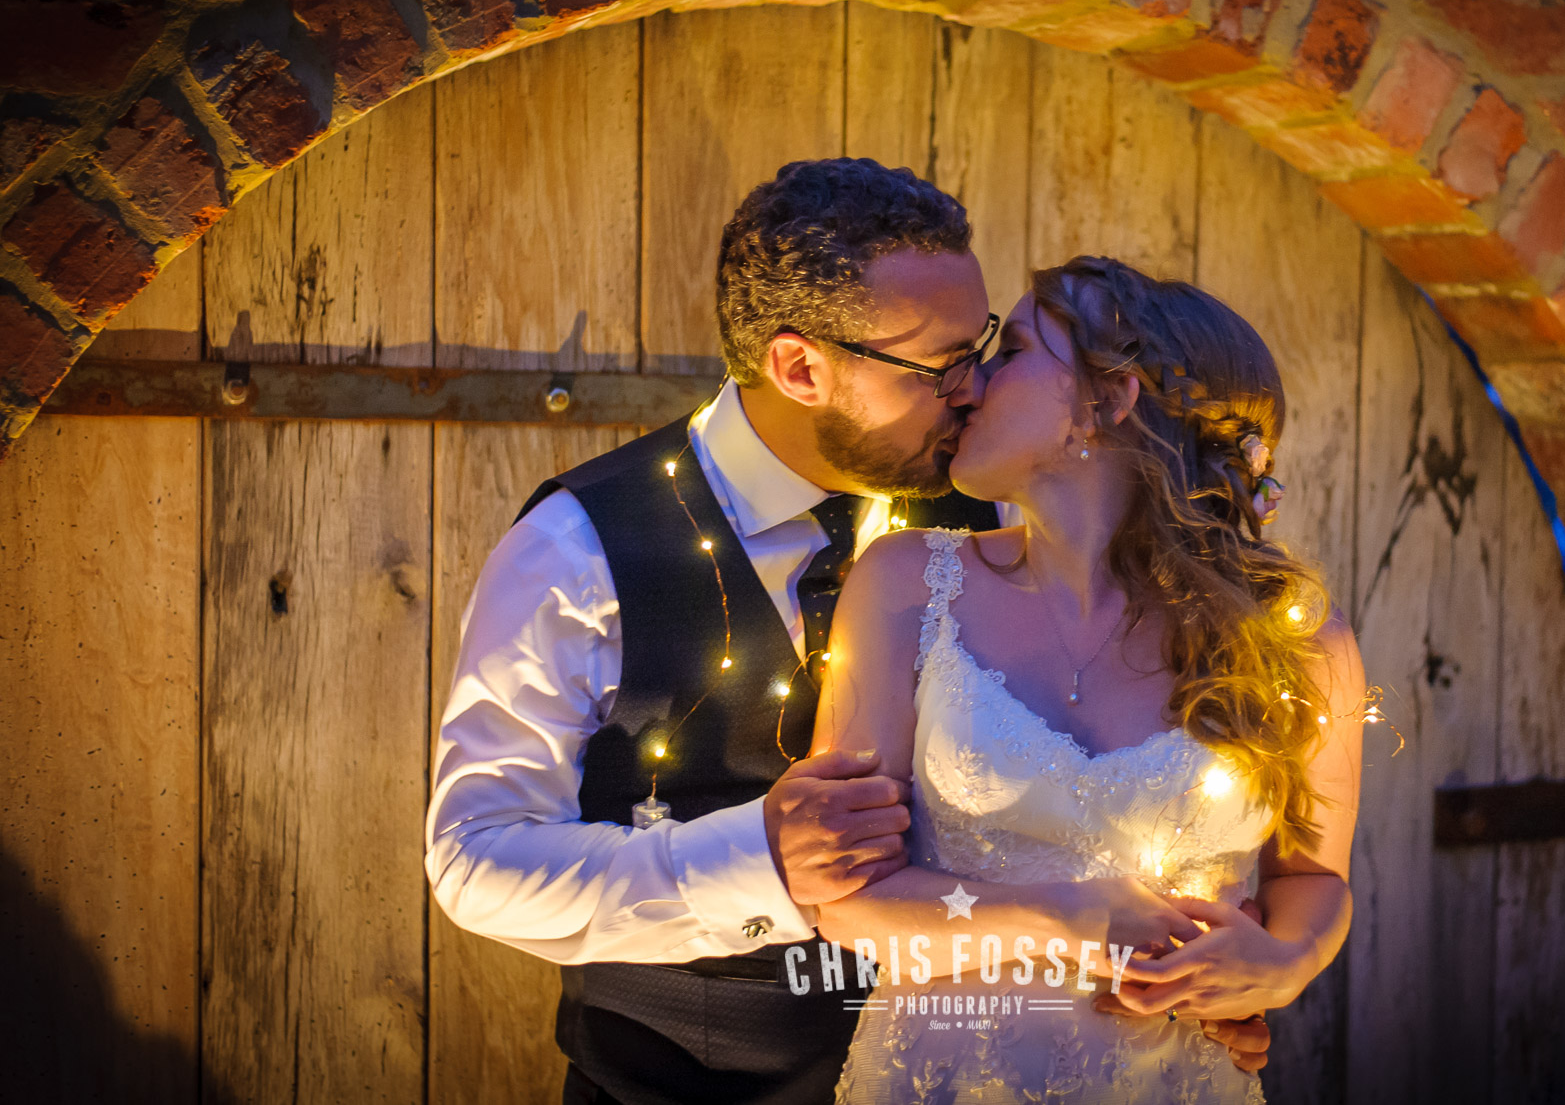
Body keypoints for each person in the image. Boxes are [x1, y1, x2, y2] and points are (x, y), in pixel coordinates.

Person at [425, 160, 1260, 1105]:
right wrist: (757, 860)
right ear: (800, 368)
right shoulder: (580, 549)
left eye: (981, 346)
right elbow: (475, 860)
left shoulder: (993, 501)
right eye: (939, 366)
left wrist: (1205, 966)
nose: (975, 386)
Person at [811, 255, 1366, 1103]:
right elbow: (845, 901)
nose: (970, 386)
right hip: (937, 1077)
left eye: (1015, 350)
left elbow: (1311, 881)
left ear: (1109, 401)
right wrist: (1061, 919)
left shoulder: (1296, 640)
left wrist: (1284, 963)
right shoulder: (904, 585)